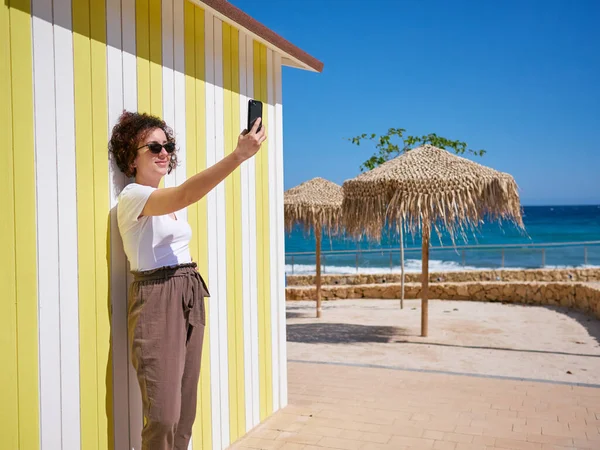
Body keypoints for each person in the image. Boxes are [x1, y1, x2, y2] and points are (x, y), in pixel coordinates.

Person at [109, 110, 265, 450]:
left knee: (184, 410)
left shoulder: (165, 202)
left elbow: (181, 198)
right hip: (157, 295)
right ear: (130, 159)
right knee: (163, 413)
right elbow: (186, 194)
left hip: (188, 289)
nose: (164, 153)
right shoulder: (133, 196)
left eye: (168, 146)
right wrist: (238, 155)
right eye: (153, 147)